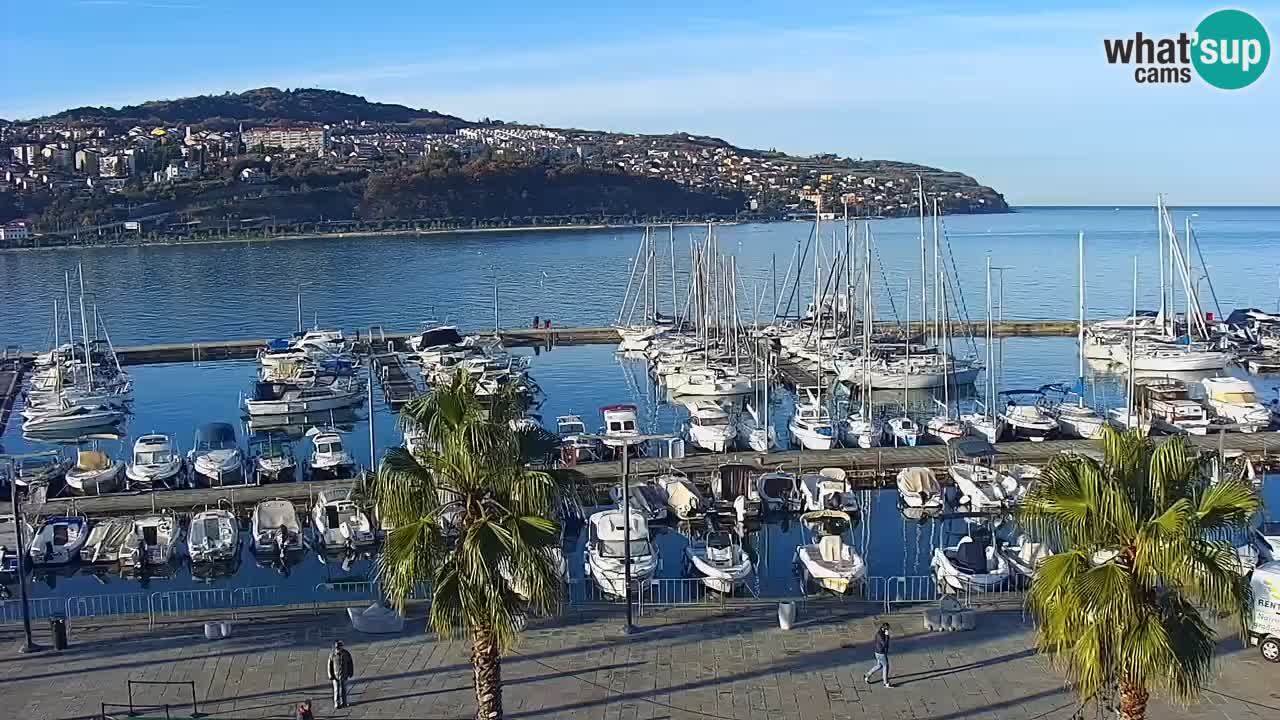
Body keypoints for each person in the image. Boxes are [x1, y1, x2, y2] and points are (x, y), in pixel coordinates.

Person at [864, 623, 893, 688]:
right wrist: (887, 636)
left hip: (878, 652)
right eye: (887, 629)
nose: (888, 630)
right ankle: (886, 683)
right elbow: (885, 644)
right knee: (886, 666)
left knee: (879, 665)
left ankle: (867, 675)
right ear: (885, 629)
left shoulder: (880, 632)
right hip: (881, 653)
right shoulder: (880, 634)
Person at [328, 640, 355, 708]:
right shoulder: (332, 655)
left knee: (344, 689)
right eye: (337, 648)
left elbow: (350, 664)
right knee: (336, 690)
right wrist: (330, 675)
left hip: (344, 674)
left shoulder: (346, 654)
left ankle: (344, 702)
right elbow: (329, 665)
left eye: (339, 648)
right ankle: (337, 703)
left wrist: (350, 672)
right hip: (335, 675)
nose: (338, 649)